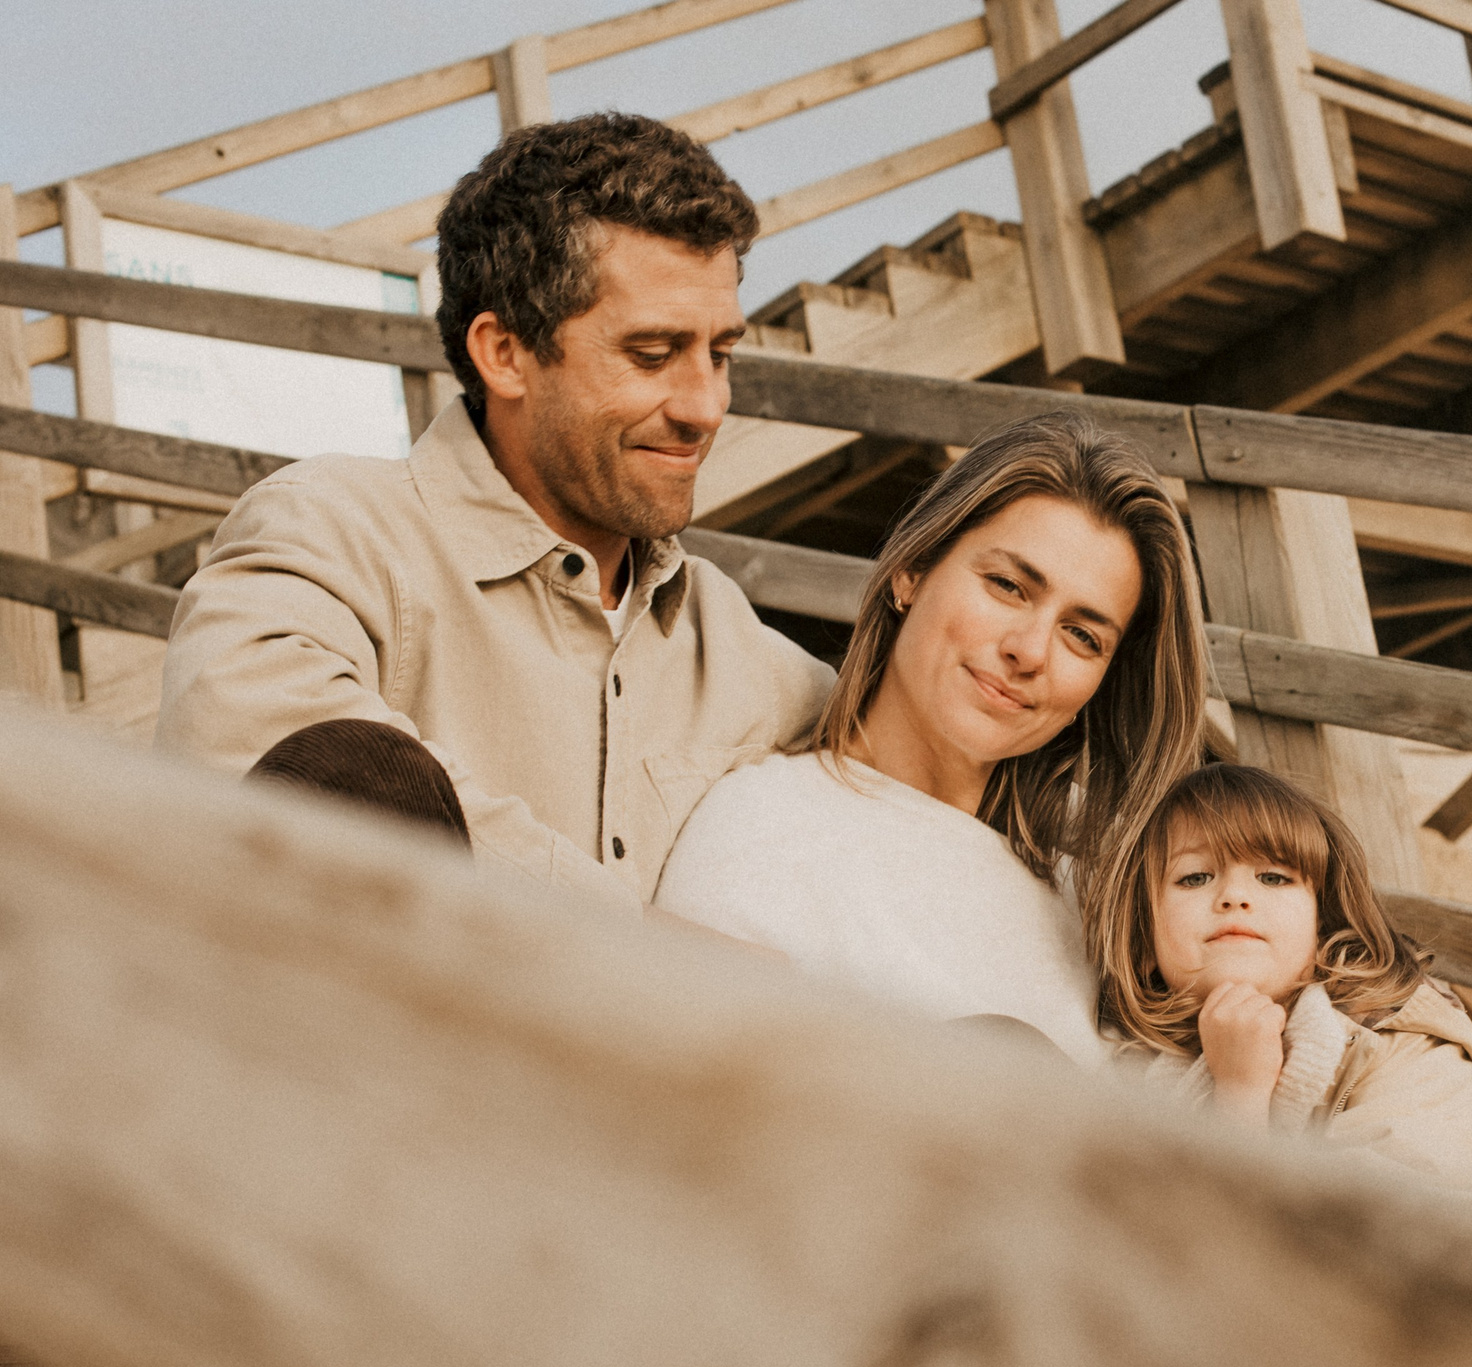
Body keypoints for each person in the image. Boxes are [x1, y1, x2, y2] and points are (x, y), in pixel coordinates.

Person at [157, 113, 831, 909]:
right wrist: (647, 957)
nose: (706, 405)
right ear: (504, 353)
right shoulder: (327, 533)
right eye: (652, 355)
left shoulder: (750, 655)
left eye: (719, 355)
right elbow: (261, 757)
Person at [652, 412, 1206, 1066]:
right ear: (911, 570)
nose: (1029, 651)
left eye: (1083, 636)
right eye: (1007, 585)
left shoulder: (1102, 882)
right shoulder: (760, 829)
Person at [1092, 763, 1472, 1192]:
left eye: (1272, 877)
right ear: (1142, 946)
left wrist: (1241, 1096)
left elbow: (1363, 1240)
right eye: (1195, 877)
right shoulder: (1123, 1052)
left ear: (1322, 923)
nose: (1235, 896)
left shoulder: (1407, 1049)